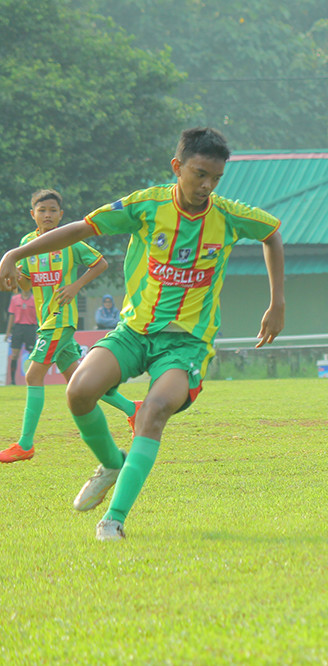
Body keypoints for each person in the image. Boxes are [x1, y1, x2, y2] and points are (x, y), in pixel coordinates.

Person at [0, 128, 285, 541]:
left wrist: (277, 304)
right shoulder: (145, 206)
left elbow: (271, 234)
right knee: (78, 391)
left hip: (187, 343)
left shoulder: (226, 216)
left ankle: (113, 520)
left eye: (215, 179)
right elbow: (82, 228)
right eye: (200, 174)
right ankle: (111, 463)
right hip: (134, 331)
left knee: (152, 411)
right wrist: (13, 254)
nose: (207, 186)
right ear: (177, 167)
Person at [0, 190, 139, 464]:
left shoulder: (70, 242)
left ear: (61, 215)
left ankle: (25, 444)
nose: (48, 215)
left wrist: (75, 286)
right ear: (33, 214)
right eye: (42, 210)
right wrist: (16, 279)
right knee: (81, 382)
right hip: (45, 320)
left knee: (32, 375)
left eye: (53, 210)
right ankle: (133, 409)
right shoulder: (27, 244)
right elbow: (27, 285)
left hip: (60, 320)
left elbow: (100, 263)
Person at [5, 285, 37, 386]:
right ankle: (13, 380)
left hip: (30, 328)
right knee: (14, 355)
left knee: (32, 355)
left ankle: (33, 379)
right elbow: (11, 316)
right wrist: (8, 332)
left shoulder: (34, 299)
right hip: (18, 328)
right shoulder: (15, 299)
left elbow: (38, 316)